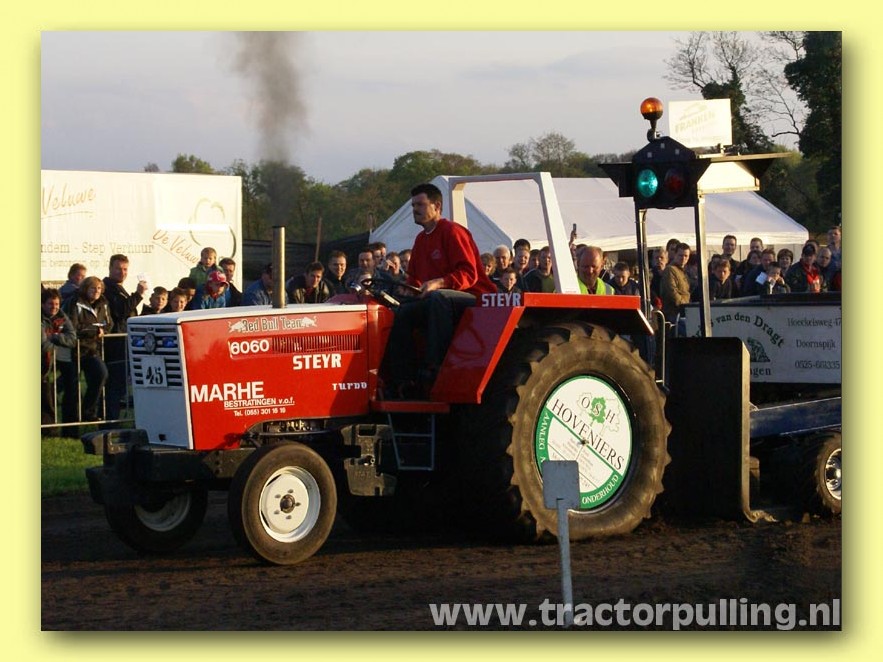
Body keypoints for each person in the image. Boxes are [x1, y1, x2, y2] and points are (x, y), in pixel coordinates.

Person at [382, 182, 496, 397]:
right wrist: (407, 290)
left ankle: (435, 368)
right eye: (413, 205)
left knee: (438, 299)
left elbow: (469, 274)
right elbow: (414, 278)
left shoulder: (452, 232)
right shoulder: (420, 239)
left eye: (420, 205)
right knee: (399, 312)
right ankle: (404, 379)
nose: (415, 209)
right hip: (437, 299)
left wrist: (439, 282)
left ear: (437, 206)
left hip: (474, 298)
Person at [102, 254, 147, 424]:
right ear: (110, 268)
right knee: (115, 385)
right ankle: (110, 421)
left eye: (125, 269)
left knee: (121, 386)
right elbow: (120, 311)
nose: (122, 272)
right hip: (115, 344)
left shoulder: (119, 288)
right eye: (118, 269)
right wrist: (138, 295)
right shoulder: (107, 289)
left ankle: (117, 420)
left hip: (125, 342)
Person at [64, 276, 113, 422]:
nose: (96, 291)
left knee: (101, 374)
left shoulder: (103, 303)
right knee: (71, 388)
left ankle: (88, 411)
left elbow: (108, 323)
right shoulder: (75, 302)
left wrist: (103, 330)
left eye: (99, 288)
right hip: (73, 350)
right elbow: (72, 325)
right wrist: (93, 330)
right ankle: (70, 424)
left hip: (91, 349)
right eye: (93, 288)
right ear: (85, 288)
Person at [41, 288, 77, 433]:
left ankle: (67, 429)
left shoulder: (61, 315)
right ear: (42, 304)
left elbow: (72, 338)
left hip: (57, 360)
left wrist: (55, 337)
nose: (54, 307)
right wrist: (59, 341)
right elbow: (42, 343)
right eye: (50, 304)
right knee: (46, 395)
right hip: (42, 360)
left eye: (56, 304)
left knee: (69, 390)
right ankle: (48, 429)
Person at [661, 242, 692, 325]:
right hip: (674, 314)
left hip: (685, 311)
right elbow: (672, 292)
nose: (683, 258)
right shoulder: (670, 270)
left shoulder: (684, 272)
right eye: (680, 255)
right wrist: (684, 305)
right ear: (675, 254)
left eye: (686, 256)